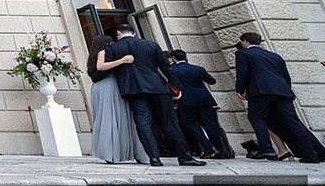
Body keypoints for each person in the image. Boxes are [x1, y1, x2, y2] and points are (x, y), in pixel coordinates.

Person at [101, 24, 205, 167]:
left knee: (143, 123)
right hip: (157, 87)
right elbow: (166, 67)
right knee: (170, 123)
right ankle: (184, 156)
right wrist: (177, 87)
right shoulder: (151, 44)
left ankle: (154, 158)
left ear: (118, 33)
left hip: (133, 90)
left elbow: (104, 69)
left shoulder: (113, 48)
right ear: (135, 33)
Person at [235, 32, 325, 163]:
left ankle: (266, 149)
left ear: (245, 41)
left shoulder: (243, 53)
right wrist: (284, 91)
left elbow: (242, 73)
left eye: (242, 42)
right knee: (294, 123)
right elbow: (286, 77)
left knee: (256, 117)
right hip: (283, 92)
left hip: (261, 91)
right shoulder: (275, 56)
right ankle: (311, 154)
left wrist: (239, 89)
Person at [87, 35, 147, 164]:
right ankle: (113, 153)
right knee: (115, 118)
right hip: (110, 87)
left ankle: (111, 152)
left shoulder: (92, 56)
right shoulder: (104, 53)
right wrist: (121, 61)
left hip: (98, 88)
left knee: (106, 118)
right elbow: (101, 67)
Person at [166, 49, 234, 159]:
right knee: (211, 125)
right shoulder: (198, 69)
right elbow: (212, 81)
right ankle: (221, 150)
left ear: (173, 58)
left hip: (186, 101)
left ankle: (208, 146)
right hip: (204, 100)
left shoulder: (171, 70)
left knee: (189, 124)